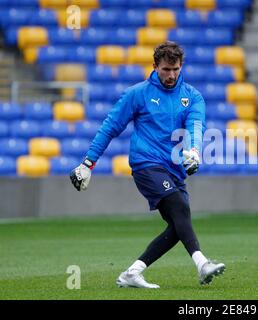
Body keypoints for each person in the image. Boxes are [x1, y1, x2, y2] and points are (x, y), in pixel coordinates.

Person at [69, 41, 225, 289]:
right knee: (180, 210)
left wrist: (194, 149)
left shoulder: (192, 96)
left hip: (174, 169)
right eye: (165, 70)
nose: (171, 75)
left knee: (178, 225)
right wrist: (88, 163)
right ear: (154, 67)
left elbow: (197, 125)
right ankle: (202, 263)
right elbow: (110, 127)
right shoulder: (137, 94)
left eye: (175, 69)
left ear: (181, 66)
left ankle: (132, 273)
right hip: (146, 163)